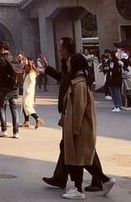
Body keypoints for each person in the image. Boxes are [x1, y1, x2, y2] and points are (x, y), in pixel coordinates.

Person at [40, 37, 105, 193]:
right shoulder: (69, 64)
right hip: (68, 112)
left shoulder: (77, 66)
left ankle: (99, 179)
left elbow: (79, 103)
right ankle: (60, 178)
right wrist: (47, 69)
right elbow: (63, 80)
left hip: (74, 116)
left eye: (59, 46)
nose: (58, 49)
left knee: (81, 148)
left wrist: (74, 126)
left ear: (66, 48)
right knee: (67, 146)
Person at [61, 53, 115, 200]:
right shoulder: (80, 81)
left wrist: (75, 129)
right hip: (81, 126)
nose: (68, 65)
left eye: (70, 62)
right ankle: (105, 180)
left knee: (77, 159)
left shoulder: (78, 84)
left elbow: (78, 108)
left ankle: (78, 189)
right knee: (82, 159)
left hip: (79, 127)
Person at [0, 41, 19, 138]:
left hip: (4, 87)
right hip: (14, 87)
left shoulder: (1, 58)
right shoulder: (14, 58)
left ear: (1, 49)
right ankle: (16, 132)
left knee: (2, 108)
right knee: (14, 109)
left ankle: (4, 130)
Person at [22, 57, 43, 129]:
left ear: (29, 61)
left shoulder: (31, 71)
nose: (23, 61)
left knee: (28, 106)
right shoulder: (26, 70)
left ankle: (37, 119)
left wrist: (28, 91)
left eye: (24, 60)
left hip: (29, 92)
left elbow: (32, 83)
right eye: (23, 60)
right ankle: (26, 122)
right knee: (24, 106)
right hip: (25, 91)